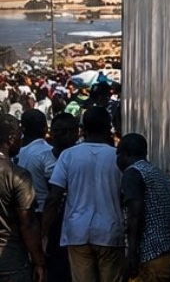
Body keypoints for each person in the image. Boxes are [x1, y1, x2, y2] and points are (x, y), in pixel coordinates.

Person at [44, 107, 124, 282]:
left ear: (82, 129)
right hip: (110, 232)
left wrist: (43, 231)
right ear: (108, 128)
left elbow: (54, 197)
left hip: (77, 232)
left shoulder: (68, 155)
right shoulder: (117, 157)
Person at [117, 133, 170, 282]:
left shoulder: (132, 174)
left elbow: (135, 214)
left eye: (118, 154)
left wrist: (131, 254)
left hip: (154, 256)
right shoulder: (161, 175)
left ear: (125, 154)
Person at [28, 113, 78, 282]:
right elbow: (44, 198)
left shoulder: (80, 158)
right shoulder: (40, 159)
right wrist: (43, 232)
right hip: (52, 224)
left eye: (67, 130)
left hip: (76, 224)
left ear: (76, 133)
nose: (61, 134)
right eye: (57, 130)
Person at [0, 113, 47, 282]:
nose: (21, 141)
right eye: (20, 136)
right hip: (10, 259)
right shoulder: (18, 175)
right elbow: (28, 224)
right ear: (11, 138)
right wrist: (39, 261)